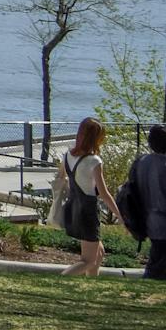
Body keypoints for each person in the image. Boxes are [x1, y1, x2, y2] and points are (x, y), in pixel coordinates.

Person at [56, 117, 121, 276]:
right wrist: (120, 215)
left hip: (74, 209)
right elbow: (104, 193)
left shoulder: (67, 155)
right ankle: (60, 280)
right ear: (97, 139)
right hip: (88, 212)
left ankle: (91, 286)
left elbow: (61, 178)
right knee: (89, 260)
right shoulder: (94, 161)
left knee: (99, 254)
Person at [125, 124, 166, 281]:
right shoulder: (164, 165)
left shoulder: (140, 162)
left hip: (147, 219)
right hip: (163, 221)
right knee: (157, 264)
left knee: (158, 258)